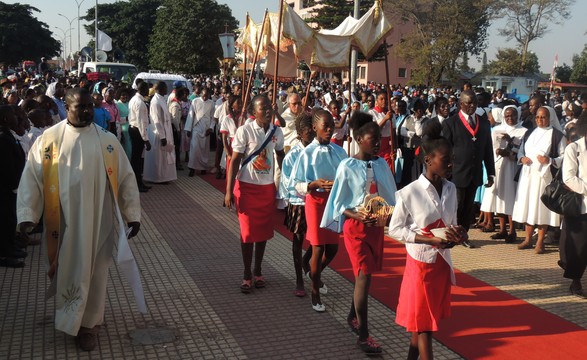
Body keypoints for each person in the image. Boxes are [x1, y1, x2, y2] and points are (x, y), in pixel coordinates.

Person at [16, 88, 142, 351]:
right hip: (63, 221)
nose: (86, 111)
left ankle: (89, 325)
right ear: (67, 107)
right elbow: (32, 178)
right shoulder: (49, 140)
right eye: (79, 107)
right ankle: (70, 317)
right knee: (69, 268)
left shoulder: (107, 142)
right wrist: (27, 216)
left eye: (88, 106)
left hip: (99, 220)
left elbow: (126, 178)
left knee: (96, 272)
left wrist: (132, 215)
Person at [388, 121, 467, 360]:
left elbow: (450, 224)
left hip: (441, 263)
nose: (451, 164)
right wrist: (426, 239)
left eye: (452, 158)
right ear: (428, 160)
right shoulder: (409, 192)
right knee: (424, 326)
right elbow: (395, 229)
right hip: (420, 265)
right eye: (446, 159)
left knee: (423, 322)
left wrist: (458, 236)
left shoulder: (452, 188)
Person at [321, 111, 396, 355]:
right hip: (356, 229)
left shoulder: (381, 163)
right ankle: (363, 335)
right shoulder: (347, 165)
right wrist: (357, 214)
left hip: (376, 227)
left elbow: (390, 195)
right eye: (372, 138)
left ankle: (353, 315)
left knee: (367, 276)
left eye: (378, 138)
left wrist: (388, 212)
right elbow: (339, 203)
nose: (377, 142)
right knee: (363, 276)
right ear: (358, 138)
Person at [224, 95, 285, 294]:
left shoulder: (277, 132)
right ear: (253, 112)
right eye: (263, 108)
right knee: (248, 233)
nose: (268, 110)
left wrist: (283, 184)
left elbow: (281, 155)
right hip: (247, 189)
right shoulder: (245, 131)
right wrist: (228, 191)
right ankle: (246, 272)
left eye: (269, 107)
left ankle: (258, 269)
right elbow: (234, 161)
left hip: (266, 189)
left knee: (263, 234)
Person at [289, 109, 348, 312]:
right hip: (315, 202)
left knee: (333, 248)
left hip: (332, 202)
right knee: (318, 247)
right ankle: (315, 293)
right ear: (315, 128)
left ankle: (313, 273)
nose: (330, 130)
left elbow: (347, 175)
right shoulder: (307, 153)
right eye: (326, 126)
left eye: (332, 125)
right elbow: (295, 184)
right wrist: (313, 184)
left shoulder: (339, 151)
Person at [441, 89, 495, 248]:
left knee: (468, 207)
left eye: (475, 103)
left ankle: (463, 235)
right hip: (456, 173)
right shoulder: (450, 123)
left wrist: (491, 172)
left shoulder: (483, 122)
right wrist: (445, 171)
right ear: (460, 104)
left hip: (475, 172)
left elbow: (488, 149)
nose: (472, 106)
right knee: (455, 206)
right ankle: (451, 235)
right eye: (469, 103)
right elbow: (445, 149)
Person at [512, 107, 566, 254]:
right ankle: (528, 239)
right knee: (528, 206)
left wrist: (549, 159)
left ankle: (540, 241)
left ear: (550, 118)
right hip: (528, 175)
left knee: (542, 209)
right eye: (537, 117)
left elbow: (563, 156)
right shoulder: (529, 132)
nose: (539, 120)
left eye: (543, 117)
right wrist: (522, 158)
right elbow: (521, 150)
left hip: (544, 177)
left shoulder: (557, 135)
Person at [279, 112, 315, 297]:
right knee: (299, 238)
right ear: (300, 133)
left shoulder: (320, 150)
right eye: (308, 130)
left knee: (319, 241)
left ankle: (306, 261)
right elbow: (287, 182)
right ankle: (299, 279)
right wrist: (303, 191)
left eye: (313, 129)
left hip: (316, 201)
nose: (312, 133)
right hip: (298, 201)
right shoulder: (293, 155)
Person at [481, 105, 527, 243]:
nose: (510, 118)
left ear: (517, 115)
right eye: (507, 116)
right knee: (499, 199)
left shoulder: (523, 131)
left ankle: (512, 231)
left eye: (512, 115)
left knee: (510, 198)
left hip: (511, 167)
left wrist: (509, 143)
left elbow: (521, 151)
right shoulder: (496, 130)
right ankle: (502, 230)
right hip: (497, 166)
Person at [560, 112, 587, 297]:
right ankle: (575, 281)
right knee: (579, 247)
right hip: (580, 206)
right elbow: (569, 178)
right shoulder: (574, 149)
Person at [0, 105, 27, 268]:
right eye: (13, 115)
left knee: (10, 217)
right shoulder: (2, 137)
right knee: (5, 218)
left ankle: (11, 244)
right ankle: (5, 252)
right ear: (4, 119)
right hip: (5, 187)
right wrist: (13, 184)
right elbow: (6, 166)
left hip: (12, 186)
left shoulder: (9, 134)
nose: (16, 118)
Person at [144, 81, 177, 184]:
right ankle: (158, 177)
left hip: (166, 130)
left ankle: (165, 176)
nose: (167, 90)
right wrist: (162, 136)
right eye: (165, 88)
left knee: (165, 156)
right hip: (158, 133)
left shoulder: (162, 99)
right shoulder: (155, 101)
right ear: (160, 89)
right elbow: (157, 120)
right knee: (159, 157)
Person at [128, 82, 152, 192]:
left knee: (136, 159)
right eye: (147, 89)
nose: (148, 91)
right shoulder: (140, 103)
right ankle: (137, 184)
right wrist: (146, 139)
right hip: (137, 131)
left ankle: (138, 182)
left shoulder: (134, 99)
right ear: (143, 89)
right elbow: (141, 122)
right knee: (136, 160)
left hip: (134, 129)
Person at [186, 88, 215, 176]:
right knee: (194, 148)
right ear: (201, 94)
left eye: (207, 95)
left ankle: (203, 168)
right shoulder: (195, 101)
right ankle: (192, 168)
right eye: (204, 95)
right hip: (196, 128)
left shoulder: (211, 103)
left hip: (206, 129)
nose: (205, 97)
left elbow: (213, 117)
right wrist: (188, 128)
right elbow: (191, 115)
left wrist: (211, 128)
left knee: (204, 150)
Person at [369, 92, 394, 170]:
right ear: (377, 101)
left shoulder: (390, 113)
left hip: (388, 145)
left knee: (388, 168)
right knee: (376, 167)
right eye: (381, 99)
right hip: (377, 144)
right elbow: (375, 130)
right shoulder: (372, 113)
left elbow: (393, 130)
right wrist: (385, 119)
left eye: (386, 99)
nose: (384, 101)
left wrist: (395, 147)